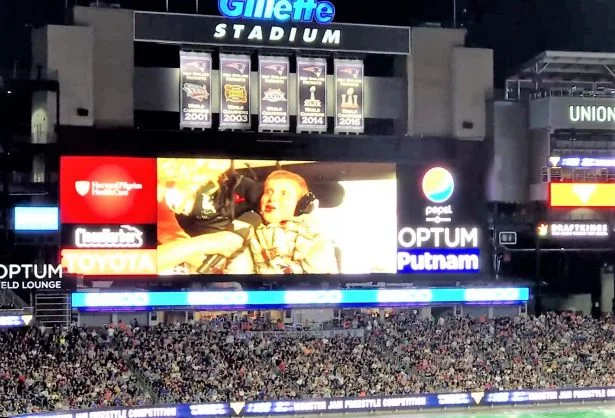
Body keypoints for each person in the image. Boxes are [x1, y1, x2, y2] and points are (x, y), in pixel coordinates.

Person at [227, 170, 339, 274]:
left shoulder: (312, 234)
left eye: (284, 193)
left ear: (301, 205)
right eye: (268, 191)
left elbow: (319, 278)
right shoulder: (251, 232)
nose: (272, 198)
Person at [156, 158, 255, 274]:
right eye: (203, 179)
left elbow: (170, 234)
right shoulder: (138, 184)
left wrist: (207, 265)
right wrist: (203, 244)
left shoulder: (161, 202)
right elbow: (137, 262)